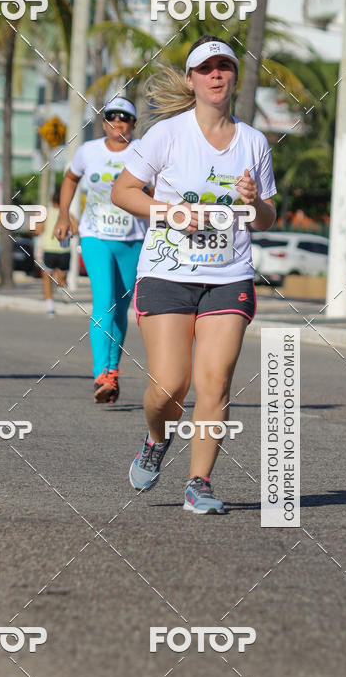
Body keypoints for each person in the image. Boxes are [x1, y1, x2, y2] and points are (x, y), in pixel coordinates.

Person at [111, 37, 277, 513]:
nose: (217, 75)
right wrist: (171, 213)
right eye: (206, 69)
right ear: (191, 79)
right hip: (166, 272)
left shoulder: (254, 142)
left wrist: (253, 202)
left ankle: (199, 483)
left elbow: (266, 219)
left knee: (215, 383)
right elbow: (124, 192)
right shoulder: (168, 134)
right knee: (168, 387)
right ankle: (156, 439)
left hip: (229, 275)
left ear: (235, 76)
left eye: (225, 66)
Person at [54, 97, 148, 403]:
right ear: (104, 121)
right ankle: (100, 373)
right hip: (95, 236)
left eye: (124, 118)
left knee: (121, 310)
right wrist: (64, 214)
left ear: (133, 124)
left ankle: (112, 371)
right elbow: (70, 177)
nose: (117, 123)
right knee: (104, 301)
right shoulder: (88, 151)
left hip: (132, 239)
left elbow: (160, 189)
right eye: (111, 118)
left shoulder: (144, 151)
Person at [33, 186, 77, 317]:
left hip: (49, 250)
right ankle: (61, 289)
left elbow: (37, 231)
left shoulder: (46, 213)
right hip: (64, 250)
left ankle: (50, 307)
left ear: (52, 200)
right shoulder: (68, 214)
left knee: (47, 279)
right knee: (61, 277)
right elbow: (76, 230)